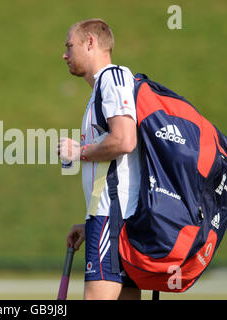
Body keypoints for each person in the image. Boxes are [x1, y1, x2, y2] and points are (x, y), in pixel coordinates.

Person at [58, 18, 141, 300]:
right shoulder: (101, 89)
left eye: (70, 46)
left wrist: (78, 152)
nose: (65, 55)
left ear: (90, 42)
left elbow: (124, 140)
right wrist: (89, 223)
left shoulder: (112, 78)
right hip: (109, 218)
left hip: (113, 217)